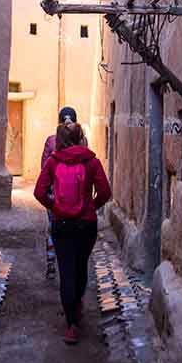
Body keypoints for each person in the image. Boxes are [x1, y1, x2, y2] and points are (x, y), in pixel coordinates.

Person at [33, 121, 111, 345]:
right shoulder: (92, 162)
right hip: (86, 225)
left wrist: (55, 206)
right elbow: (105, 192)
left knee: (66, 270)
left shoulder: (53, 162)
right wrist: (91, 207)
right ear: (80, 138)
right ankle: (78, 305)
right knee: (80, 265)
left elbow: (39, 192)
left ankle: (71, 326)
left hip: (62, 224)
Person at [40, 106, 81, 280]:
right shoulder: (81, 142)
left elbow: (44, 168)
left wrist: (49, 198)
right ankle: (72, 264)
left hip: (54, 195)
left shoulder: (51, 141)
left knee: (53, 228)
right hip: (76, 197)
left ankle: (51, 262)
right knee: (75, 229)